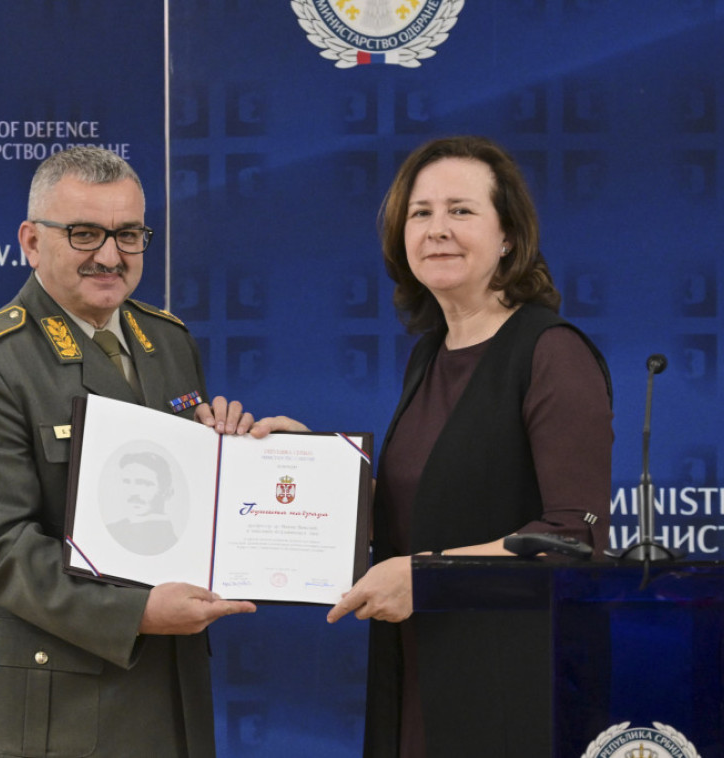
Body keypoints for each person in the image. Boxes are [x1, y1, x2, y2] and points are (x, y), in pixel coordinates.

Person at [258, 136, 614, 756]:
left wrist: (429, 579)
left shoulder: (553, 353)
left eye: (461, 210)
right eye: (420, 213)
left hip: (512, 686)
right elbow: (418, 510)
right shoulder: (429, 355)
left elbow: (573, 540)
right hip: (417, 669)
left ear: (509, 236)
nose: (437, 229)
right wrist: (310, 470)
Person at [0, 146, 257, 758]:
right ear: (32, 242)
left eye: (128, 234)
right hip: (49, 715)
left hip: (167, 694)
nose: (110, 255)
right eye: (84, 234)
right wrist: (136, 613)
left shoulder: (168, 340)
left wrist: (245, 458)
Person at [107, 450, 179, 555]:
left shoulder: (168, 542)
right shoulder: (113, 529)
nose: (133, 492)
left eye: (144, 484)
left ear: (166, 491)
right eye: (126, 482)